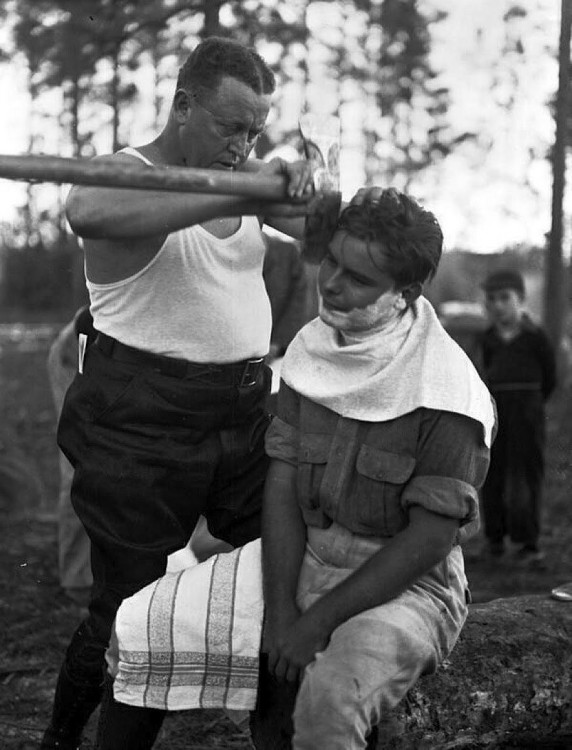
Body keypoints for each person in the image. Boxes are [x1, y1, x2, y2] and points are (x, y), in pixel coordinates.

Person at [41, 36, 317, 750]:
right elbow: (88, 212)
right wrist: (238, 187)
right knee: (127, 608)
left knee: (296, 560)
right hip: (141, 421)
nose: (243, 144)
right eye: (231, 126)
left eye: (256, 129)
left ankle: (277, 728)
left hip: (247, 416)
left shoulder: (245, 175)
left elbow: (319, 222)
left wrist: (303, 177)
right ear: (183, 105)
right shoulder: (123, 173)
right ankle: (65, 738)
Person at [251, 189, 496, 749]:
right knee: (172, 630)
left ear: (404, 293)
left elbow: (430, 540)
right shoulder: (311, 350)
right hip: (308, 554)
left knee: (331, 696)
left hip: (408, 587)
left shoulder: (447, 391)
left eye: (358, 278)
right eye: (331, 260)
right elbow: (283, 486)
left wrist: (315, 624)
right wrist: (284, 611)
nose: (332, 282)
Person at [478, 269, 556, 564]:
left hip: (528, 412)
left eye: (505, 298)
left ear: (520, 299)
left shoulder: (536, 338)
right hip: (497, 412)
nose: (497, 305)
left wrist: (532, 404)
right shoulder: (488, 339)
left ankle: (528, 544)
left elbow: (550, 378)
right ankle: (494, 539)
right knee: (493, 474)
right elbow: (487, 371)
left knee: (525, 476)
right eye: (491, 299)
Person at [46, 306, 97, 606]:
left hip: (94, 360)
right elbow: (83, 353)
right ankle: (76, 579)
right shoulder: (98, 319)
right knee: (79, 463)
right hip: (73, 360)